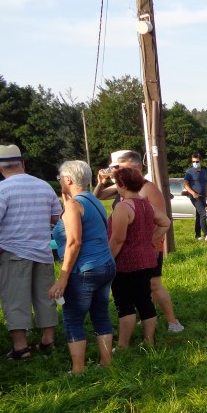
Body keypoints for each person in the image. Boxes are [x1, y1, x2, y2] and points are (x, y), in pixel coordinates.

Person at [0, 144, 62, 360]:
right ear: (23, 163)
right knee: (46, 298)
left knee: (15, 300)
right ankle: (48, 340)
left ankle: (21, 347)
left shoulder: (2, 189)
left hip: (13, 253)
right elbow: (58, 218)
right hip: (43, 252)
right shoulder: (44, 186)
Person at [94, 149, 185, 333]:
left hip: (148, 247)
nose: (116, 171)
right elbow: (98, 196)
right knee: (142, 289)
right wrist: (100, 183)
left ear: (135, 166)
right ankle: (146, 319)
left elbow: (162, 219)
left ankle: (173, 322)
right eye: (114, 168)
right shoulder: (125, 186)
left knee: (154, 284)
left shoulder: (147, 187)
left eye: (119, 167)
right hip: (133, 249)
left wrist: (153, 244)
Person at [49, 160, 116, 375]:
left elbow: (74, 242)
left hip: (84, 270)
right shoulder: (92, 200)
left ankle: (78, 370)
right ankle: (106, 364)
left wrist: (63, 277)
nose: (59, 181)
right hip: (105, 266)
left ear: (68, 179)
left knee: (73, 319)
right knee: (101, 316)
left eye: (60, 178)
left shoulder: (73, 205)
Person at [107, 166, 171, 349]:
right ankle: (149, 340)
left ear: (122, 184)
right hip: (147, 260)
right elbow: (165, 222)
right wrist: (153, 240)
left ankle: (123, 344)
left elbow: (118, 239)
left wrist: (108, 260)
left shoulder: (123, 207)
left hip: (125, 263)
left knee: (124, 303)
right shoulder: (146, 204)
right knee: (144, 299)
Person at [183, 153, 207, 241]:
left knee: (199, 215)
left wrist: (206, 194)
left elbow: (206, 183)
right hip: (195, 197)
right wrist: (193, 193)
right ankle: (206, 234)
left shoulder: (204, 172)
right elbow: (185, 184)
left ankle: (198, 235)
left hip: (203, 196)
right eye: (193, 162)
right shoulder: (189, 172)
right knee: (203, 213)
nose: (195, 163)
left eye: (197, 161)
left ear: (201, 161)